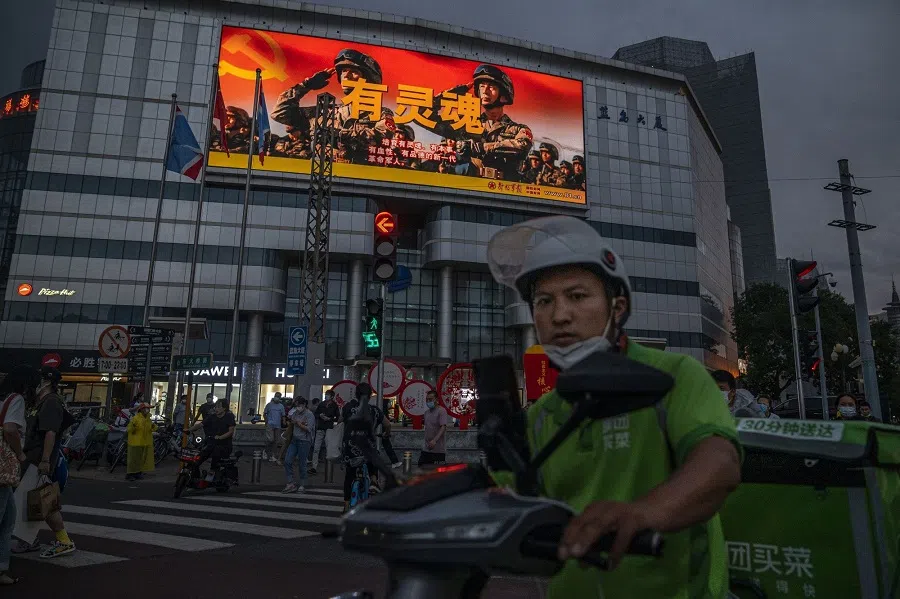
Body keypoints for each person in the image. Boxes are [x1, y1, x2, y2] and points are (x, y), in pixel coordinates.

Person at [485, 215, 742, 599]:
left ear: (617, 307)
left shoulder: (674, 375)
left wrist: (642, 513)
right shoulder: (540, 415)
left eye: (577, 296)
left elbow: (719, 462)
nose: (559, 315)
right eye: (544, 301)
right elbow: (508, 500)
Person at [19, 367, 76, 558]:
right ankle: (29, 539)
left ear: (47, 382)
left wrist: (45, 460)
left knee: (44, 501)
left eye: (39, 379)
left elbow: (50, 432)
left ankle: (64, 541)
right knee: (32, 500)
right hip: (31, 456)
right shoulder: (40, 401)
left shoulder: (51, 402)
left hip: (39, 458)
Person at [0, 365, 36, 586]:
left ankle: (2, 566)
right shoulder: (16, 400)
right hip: (3, 467)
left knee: (8, 518)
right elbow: (10, 429)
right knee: (4, 517)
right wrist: (21, 454)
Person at [340, 383, 391, 513]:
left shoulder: (348, 408)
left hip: (350, 449)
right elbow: (387, 424)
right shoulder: (374, 410)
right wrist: (386, 433)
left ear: (356, 395)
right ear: (370, 396)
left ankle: (346, 506)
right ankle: (374, 481)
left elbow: (340, 420)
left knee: (349, 476)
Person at [190, 399, 235, 478]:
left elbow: (231, 431)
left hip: (224, 445)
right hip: (211, 443)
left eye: (218, 407)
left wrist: (220, 437)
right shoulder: (212, 417)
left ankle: (212, 472)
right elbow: (201, 424)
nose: (216, 409)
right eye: (215, 407)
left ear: (224, 408)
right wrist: (189, 430)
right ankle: (195, 478)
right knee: (198, 458)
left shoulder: (229, 417)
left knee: (216, 453)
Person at [282, 397, 315, 494]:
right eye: (296, 405)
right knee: (287, 461)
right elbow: (292, 423)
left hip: (304, 441)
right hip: (294, 440)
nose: (298, 407)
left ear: (304, 404)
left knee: (302, 463)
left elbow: (309, 428)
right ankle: (290, 482)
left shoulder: (309, 415)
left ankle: (302, 484)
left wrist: (298, 423)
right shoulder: (295, 413)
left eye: (299, 405)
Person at [125, 403, 157, 482]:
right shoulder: (136, 418)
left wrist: (154, 427)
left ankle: (138, 473)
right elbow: (129, 429)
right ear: (141, 409)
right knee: (133, 460)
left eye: (148, 408)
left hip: (144, 442)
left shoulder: (148, 419)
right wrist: (133, 427)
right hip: (135, 442)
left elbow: (151, 428)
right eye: (145, 408)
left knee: (140, 459)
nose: (147, 410)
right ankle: (130, 474)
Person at [311, 390, 340, 474]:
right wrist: (320, 415)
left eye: (328, 395)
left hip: (329, 429)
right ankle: (314, 467)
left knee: (328, 448)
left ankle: (329, 469)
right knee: (316, 448)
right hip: (320, 428)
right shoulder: (321, 404)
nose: (326, 396)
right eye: (326, 394)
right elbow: (316, 414)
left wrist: (330, 419)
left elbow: (337, 417)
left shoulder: (334, 406)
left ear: (332, 396)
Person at [419, 391, 450, 466]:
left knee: (437, 474)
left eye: (431, 399)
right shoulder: (426, 413)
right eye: (427, 399)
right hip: (426, 448)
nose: (428, 401)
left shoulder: (441, 411)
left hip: (438, 450)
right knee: (421, 467)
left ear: (436, 399)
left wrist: (434, 440)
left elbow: (443, 427)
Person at [263, 394, 285, 464]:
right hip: (270, 424)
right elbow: (265, 413)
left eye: (279, 397)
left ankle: (273, 455)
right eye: (277, 396)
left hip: (277, 425)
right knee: (270, 439)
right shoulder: (269, 405)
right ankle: (265, 451)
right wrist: (266, 421)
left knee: (277, 441)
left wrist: (284, 421)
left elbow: (283, 415)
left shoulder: (281, 406)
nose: (277, 398)